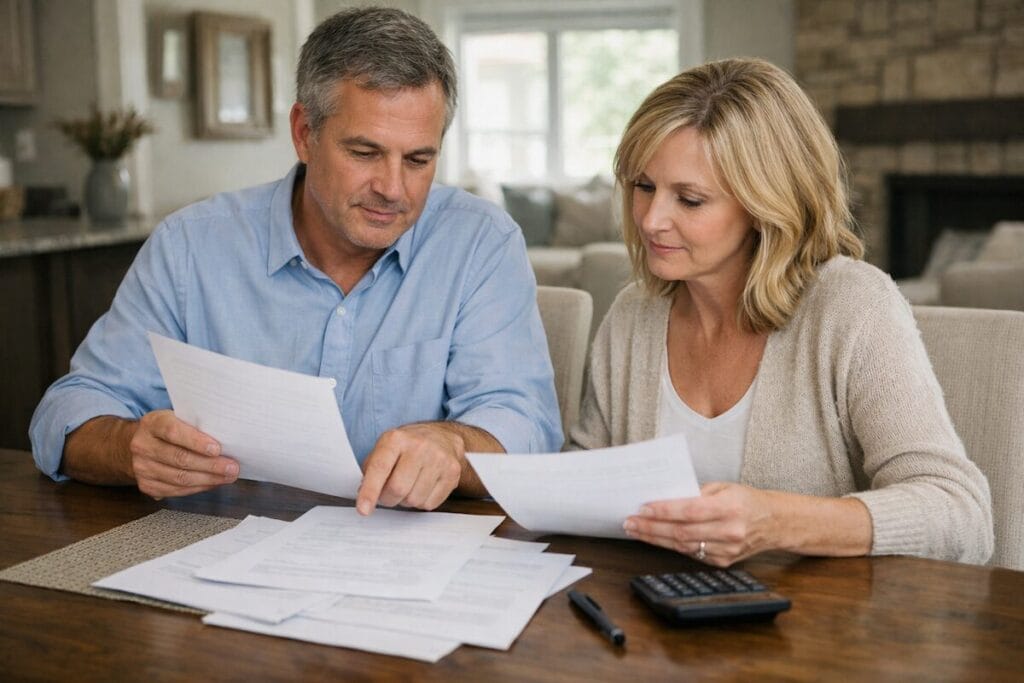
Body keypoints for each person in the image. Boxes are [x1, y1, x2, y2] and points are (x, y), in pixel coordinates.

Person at [30, 7, 562, 513]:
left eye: (418, 160)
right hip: (219, 549)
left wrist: (454, 447)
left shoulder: (480, 243)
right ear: (304, 134)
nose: (393, 188)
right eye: (365, 153)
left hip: (410, 560)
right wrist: (129, 448)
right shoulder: (190, 246)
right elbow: (68, 413)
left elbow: (526, 424)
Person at [570, 58, 993, 566]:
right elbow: (584, 474)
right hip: (654, 603)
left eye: (690, 199)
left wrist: (774, 522)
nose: (651, 220)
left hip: (819, 612)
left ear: (763, 204)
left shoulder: (853, 306)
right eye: (643, 187)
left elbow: (960, 515)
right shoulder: (634, 313)